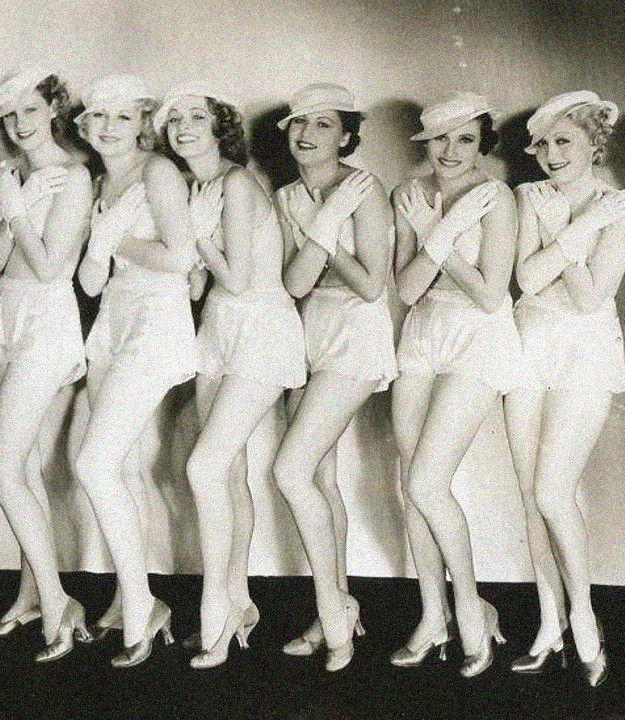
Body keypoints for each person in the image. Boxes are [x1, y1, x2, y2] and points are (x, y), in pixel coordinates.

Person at [157, 81, 305, 668]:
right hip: (218, 330)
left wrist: (194, 235)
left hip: (263, 328)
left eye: (196, 117)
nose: (184, 128)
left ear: (219, 125)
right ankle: (240, 602)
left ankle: (213, 610)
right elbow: (200, 283)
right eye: (174, 120)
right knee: (229, 472)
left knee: (204, 467)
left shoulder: (238, 183)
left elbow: (240, 279)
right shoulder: (194, 185)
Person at [505, 91, 625, 687]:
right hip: (529, 346)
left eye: (564, 141)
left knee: (553, 489)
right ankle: (548, 622)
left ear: (593, 144)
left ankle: (583, 616)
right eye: (543, 144)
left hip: (586, 352)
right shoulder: (529, 196)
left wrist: (563, 229)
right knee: (529, 495)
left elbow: (587, 300)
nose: (551, 154)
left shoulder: (621, 205)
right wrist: (579, 231)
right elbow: (528, 278)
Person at [389, 93, 519, 676]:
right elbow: (407, 289)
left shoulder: (496, 196)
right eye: (440, 138)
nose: (450, 150)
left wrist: (436, 234)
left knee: (428, 481)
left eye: (465, 139)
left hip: (478, 336)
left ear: (482, 143)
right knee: (410, 484)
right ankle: (431, 615)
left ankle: (472, 607)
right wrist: (437, 231)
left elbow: (491, 295)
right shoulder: (409, 194)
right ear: (425, 141)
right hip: (422, 332)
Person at [272, 83, 395, 672]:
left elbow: (371, 285)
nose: (307, 134)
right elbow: (294, 284)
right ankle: (334, 611)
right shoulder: (286, 195)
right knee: (319, 475)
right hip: (306, 330)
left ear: (346, 136)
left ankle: (334, 613)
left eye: (323, 125)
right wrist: (324, 224)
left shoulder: (363, 190)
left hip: (355, 333)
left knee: (290, 469)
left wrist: (323, 229)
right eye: (300, 123)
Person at [73, 74, 195, 668]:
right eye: (99, 116)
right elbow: (90, 281)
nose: (108, 128)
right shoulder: (99, 181)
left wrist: (115, 239)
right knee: (116, 467)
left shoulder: (158, 172)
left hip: (155, 322)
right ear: (85, 125)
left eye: (122, 117)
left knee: (93, 464)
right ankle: (131, 595)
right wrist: (103, 243)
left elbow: (180, 256)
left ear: (143, 124)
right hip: (112, 323)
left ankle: (144, 605)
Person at [0, 64, 94, 661]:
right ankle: (28, 595)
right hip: (5, 317)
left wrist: (16, 210)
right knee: (19, 468)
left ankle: (57, 603)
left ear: (53, 109)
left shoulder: (74, 176)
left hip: (48, 321)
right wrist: (11, 206)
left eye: (30, 110)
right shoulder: (10, 175)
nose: (19, 124)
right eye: (9, 114)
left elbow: (51, 268)